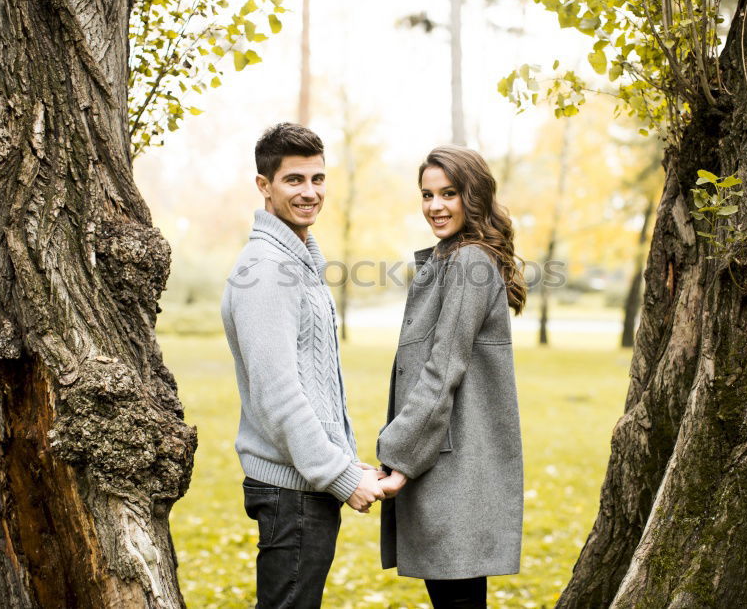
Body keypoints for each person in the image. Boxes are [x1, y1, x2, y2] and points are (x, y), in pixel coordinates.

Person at [221, 123, 385, 608]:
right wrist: (339, 475)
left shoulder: (295, 262)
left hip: (303, 483)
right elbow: (278, 394)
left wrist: (342, 460)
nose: (309, 192)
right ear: (264, 186)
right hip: (290, 491)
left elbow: (314, 381)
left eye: (317, 179)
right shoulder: (267, 270)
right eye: (294, 180)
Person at [376, 145, 527, 608]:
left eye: (449, 193)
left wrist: (398, 457)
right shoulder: (448, 258)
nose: (435, 207)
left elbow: (443, 370)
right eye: (427, 194)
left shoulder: (468, 263)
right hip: (443, 459)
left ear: (473, 195)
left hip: (452, 466)